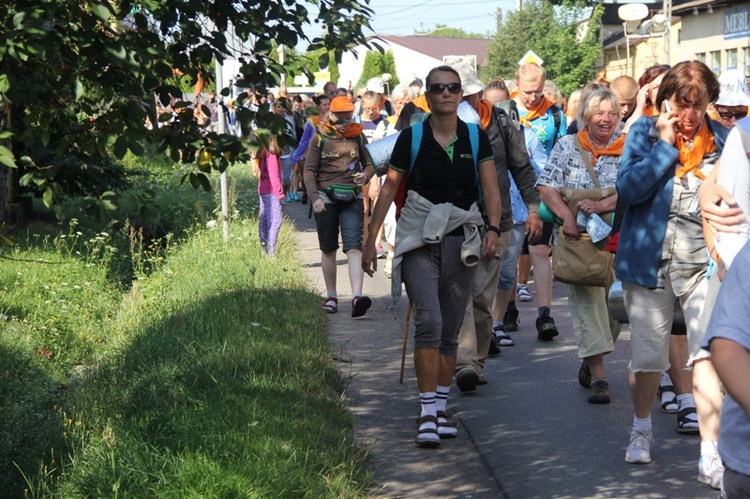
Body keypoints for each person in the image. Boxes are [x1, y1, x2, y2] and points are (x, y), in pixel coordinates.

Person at [362, 65, 501, 447]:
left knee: (451, 328)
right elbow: (389, 190)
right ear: (428, 95)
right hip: (419, 238)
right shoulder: (411, 137)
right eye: (438, 88)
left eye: (453, 88)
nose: (446, 93)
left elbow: (490, 189)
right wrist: (370, 240)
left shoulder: (475, 137)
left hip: (463, 239)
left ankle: (440, 406)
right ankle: (426, 411)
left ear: (460, 94)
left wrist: (492, 229)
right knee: (430, 320)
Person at [615, 62, 729, 486]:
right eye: (683, 104)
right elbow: (628, 190)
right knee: (648, 357)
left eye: (699, 105)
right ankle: (641, 428)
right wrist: (664, 145)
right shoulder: (644, 133)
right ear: (667, 101)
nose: (690, 114)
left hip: (704, 264)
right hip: (650, 262)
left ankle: (709, 453)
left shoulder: (723, 140)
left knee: (706, 355)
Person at [449, 62, 541, 391]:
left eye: (464, 94)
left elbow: (522, 167)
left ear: (477, 94)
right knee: (458, 293)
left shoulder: (501, 122)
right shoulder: (439, 125)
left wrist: (533, 209)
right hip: (451, 223)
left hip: (495, 222)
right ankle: (463, 362)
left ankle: (473, 361)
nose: (457, 100)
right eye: (451, 93)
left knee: (479, 295)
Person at [537, 88, 624, 404]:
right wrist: (566, 217)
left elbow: (636, 188)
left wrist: (603, 206)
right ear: (586, 116)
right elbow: (546, 186)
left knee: (615, 312)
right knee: (588, 310)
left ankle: (591, 359)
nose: (606, 119)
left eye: (612, 113)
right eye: (600, 113)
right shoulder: (567, 146)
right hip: (577, 242)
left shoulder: (629, 148)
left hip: (617, 243)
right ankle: (599, 377)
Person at [484, 81, 548, 350]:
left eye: (503, 104)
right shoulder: (474, 132)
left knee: (506, 273)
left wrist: (535, 210)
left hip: (516, 212)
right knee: (484, 273)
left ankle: (497, 324)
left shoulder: (521, 132)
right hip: (482, 214)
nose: (498, 110)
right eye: (491, 104)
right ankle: (483, 326)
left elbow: (534, 170)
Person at [303, 96, 375, 317]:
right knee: (328, 248)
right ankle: (331, 296)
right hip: (325, 198)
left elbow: (371, 163)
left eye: (348, 117)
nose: (344, 122)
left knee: (354, 247)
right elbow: (308, 171)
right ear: (331, 115)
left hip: (352, 197)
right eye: (340, 118)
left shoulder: (358, 136)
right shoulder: (319, 137)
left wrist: (366, 175)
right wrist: (314, 197)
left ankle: (356, 297)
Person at [513, 62, 566, 341]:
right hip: (511, 193)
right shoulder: (504, 110)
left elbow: (564, 150)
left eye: (536, 91)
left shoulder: (554, 115)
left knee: (540, 251)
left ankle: (544, 314)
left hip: (542, 191)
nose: (531, 97)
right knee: (510, 254)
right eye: (526, 91)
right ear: (516, 85)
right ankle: (508, 308)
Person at [292, 94, 332, 205]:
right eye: (324, 105)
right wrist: (296, 157)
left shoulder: (333, 120)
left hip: (328, 153)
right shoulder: (312, 121)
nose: (327, 107)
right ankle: (305, 192)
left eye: (329, 104)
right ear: (318, 107)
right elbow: (304, 140)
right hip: (312, 153)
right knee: (306, 176)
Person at [256, 137, 285, 255]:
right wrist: (279, 193)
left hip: (263, 189)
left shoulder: (263, 151)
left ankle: (264, 249)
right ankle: (271, 253)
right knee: (276, 221)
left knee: (265, 220)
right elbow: (274, 175)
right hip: (271, 191)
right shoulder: (271, 153)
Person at [273, 97, 298, 203]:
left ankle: (286, 192)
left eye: (282, 107)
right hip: (274, 152)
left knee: (286, 177)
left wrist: (294, 153)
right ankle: (278, 197)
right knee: (275, 174)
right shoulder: (271, 119)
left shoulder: (289, 119)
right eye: (278, 107)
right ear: (274, 107)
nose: (281, 109)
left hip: (287, 151)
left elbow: (293, 135)